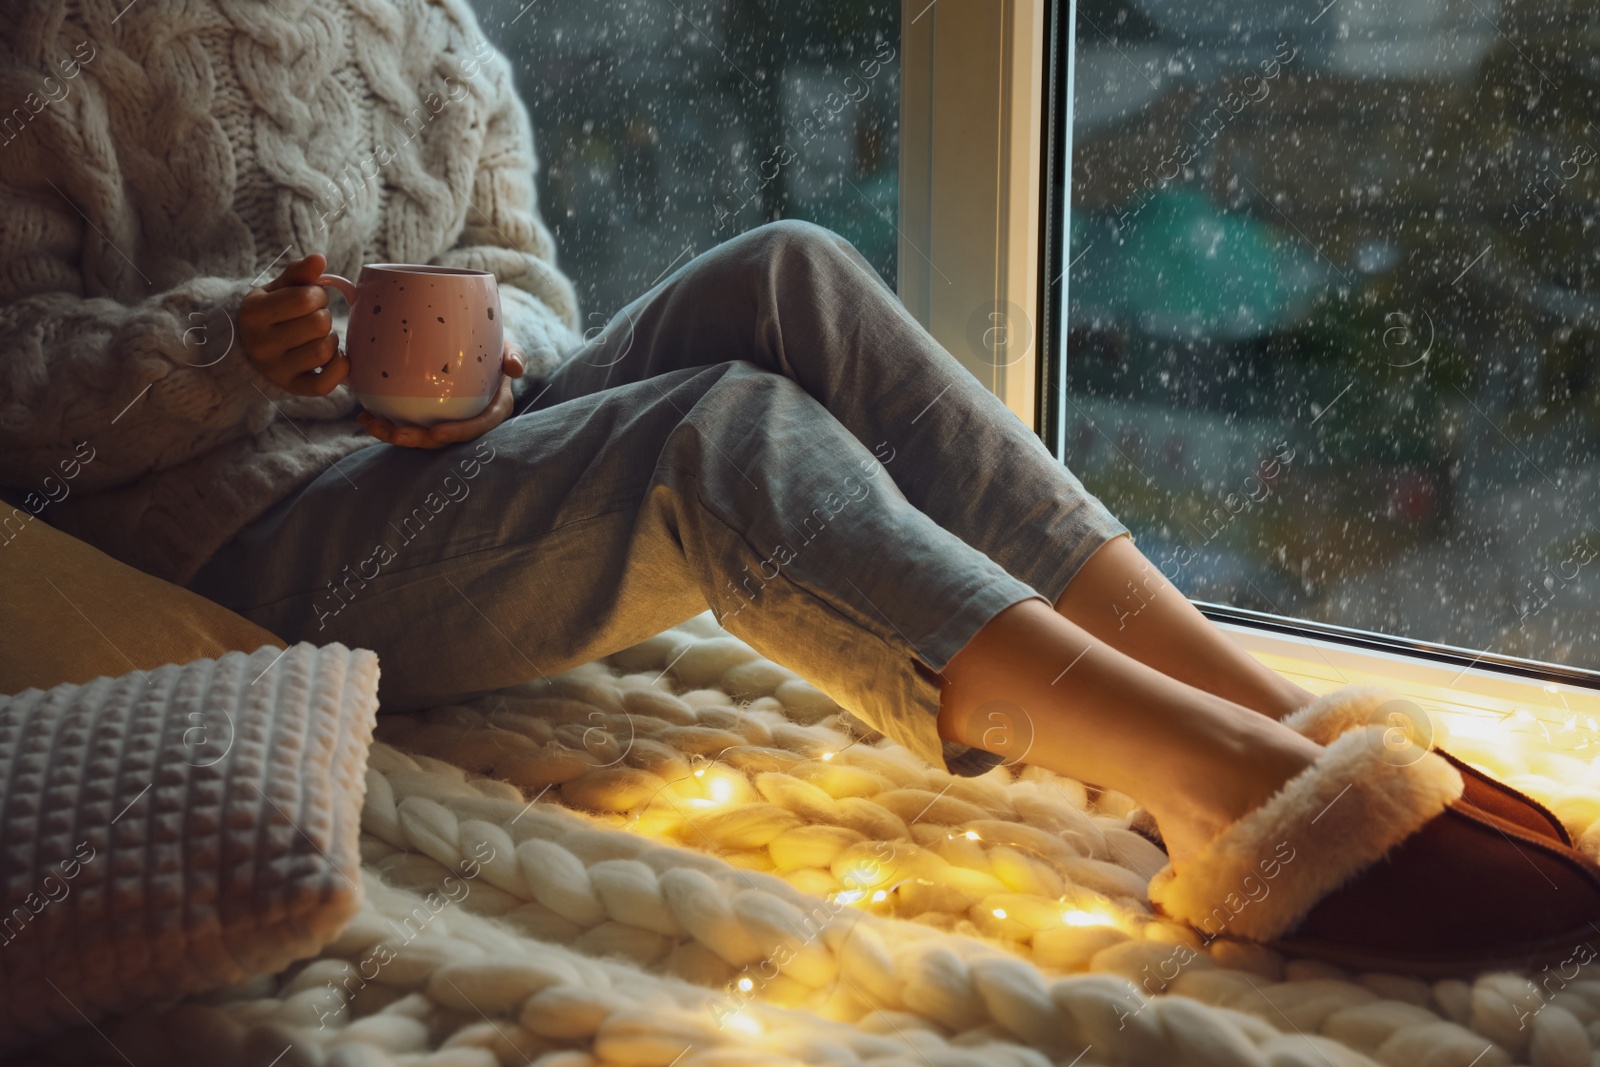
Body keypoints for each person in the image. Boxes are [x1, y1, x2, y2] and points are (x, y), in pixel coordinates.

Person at [3, 0, 1596, 974]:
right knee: (717, 433)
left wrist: (487, 370)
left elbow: (518, 276)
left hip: (445, 458)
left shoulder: (426, 20)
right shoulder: (47, 45)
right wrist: (228, 348)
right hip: (240, 543)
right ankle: (1223, 799)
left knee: (794, 271)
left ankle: (1262, 713)